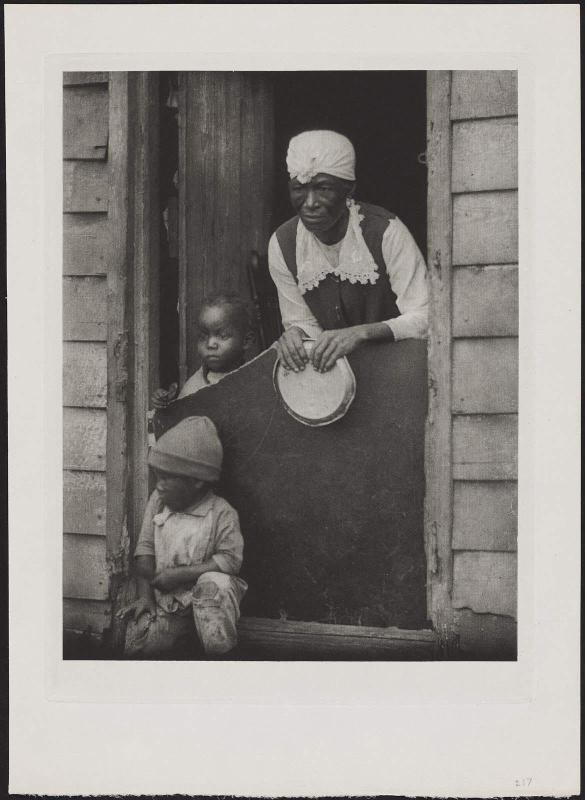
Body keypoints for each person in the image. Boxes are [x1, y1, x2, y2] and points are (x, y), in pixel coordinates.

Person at [268, 129, 428, 373]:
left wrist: (362, 333)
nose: (310, 203)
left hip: (400, 369)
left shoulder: (385, 232)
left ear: (348, 190)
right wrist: (296, 334)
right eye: (299, 189)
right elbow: (302, 320)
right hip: (333, 377)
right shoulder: (283, 243)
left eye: (323, 188)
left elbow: (425, 316)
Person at [117, 416, 247, 658]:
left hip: (206, 605)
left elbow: (231, 561)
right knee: (141, 647)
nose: (160, 485)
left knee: (216, 584)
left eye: (167, 478)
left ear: (197, 481)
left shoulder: (221, 512)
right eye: (157, 476)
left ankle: (222, 658)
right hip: (167, 602)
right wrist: (145, 595)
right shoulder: (158, 501)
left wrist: (178, 575)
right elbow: (144, 551)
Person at [151, 292, 255, 409]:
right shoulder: (194, 388)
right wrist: (166, 406)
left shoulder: (256, 381)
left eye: (223, 336)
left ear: (246, 341)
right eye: (203, 337)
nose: (210, 344)